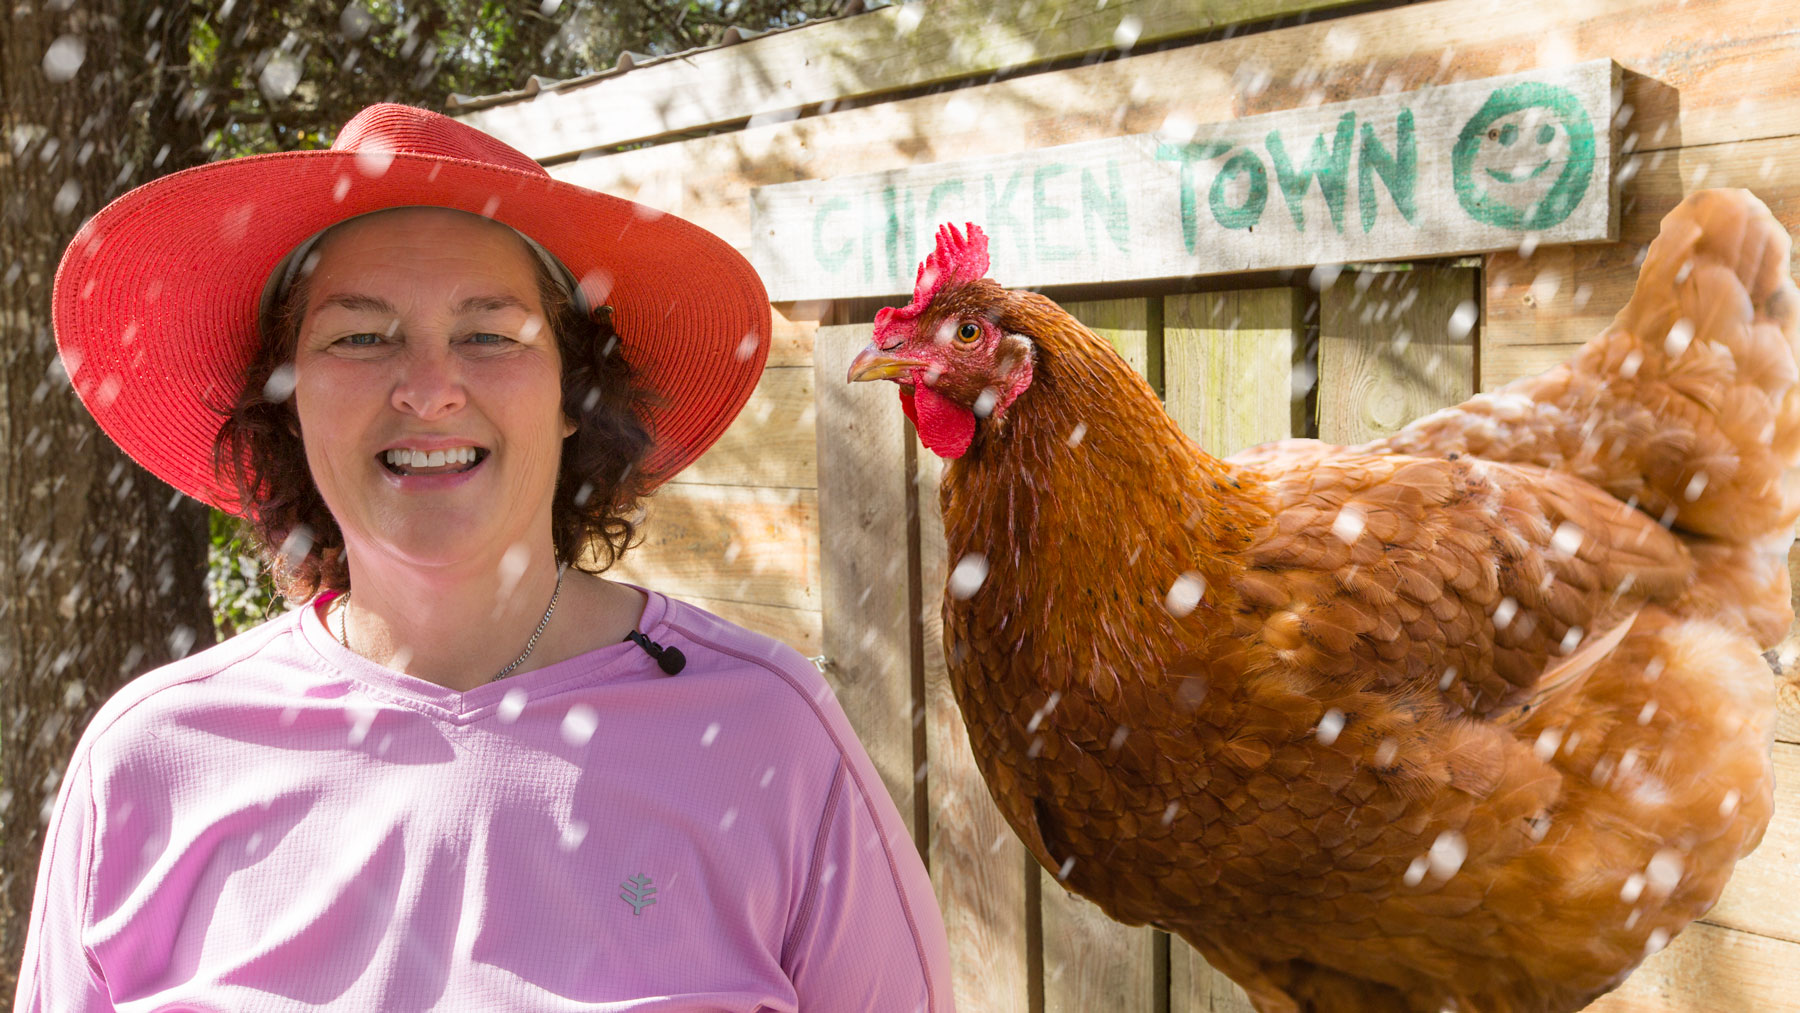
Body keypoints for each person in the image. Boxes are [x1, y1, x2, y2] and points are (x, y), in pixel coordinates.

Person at [17, 103, 954, 1011]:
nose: (428, 388)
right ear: (288, 397)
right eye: (360, 334)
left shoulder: (771, 740)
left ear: (573, 393)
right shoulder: (147, 763)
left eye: (488, 334)